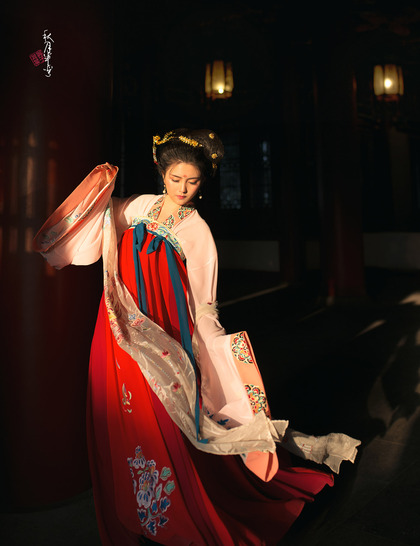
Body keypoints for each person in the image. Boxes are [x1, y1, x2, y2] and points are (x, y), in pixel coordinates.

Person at [33, 129, 360, 545]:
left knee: (167, 417)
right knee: (123, 414)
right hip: (118, 326)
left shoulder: (197, 230)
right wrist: (99, 186)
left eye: (192, 181)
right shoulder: (138, 206)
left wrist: (217, 346)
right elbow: (93, 232)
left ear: (203, 182)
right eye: (175, 179)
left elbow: (205, 302)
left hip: (166, 334)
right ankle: (138, 509)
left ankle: (175, 512)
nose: (183, 189)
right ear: (160, 172)